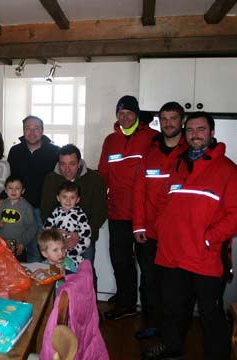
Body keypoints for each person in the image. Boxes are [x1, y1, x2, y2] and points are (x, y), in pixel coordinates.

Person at [143, 112, 237, 360]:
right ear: (184, 134)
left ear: (211, 133)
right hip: (172, 254)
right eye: (190, 130)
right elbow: (166, 201)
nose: (195, 134)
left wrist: (208, 238)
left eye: (201, 129)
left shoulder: (230, 172)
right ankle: (171, 346)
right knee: (173, 308)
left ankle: (217, 355)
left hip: (205, 256)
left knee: (210, 313)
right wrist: (161, 227)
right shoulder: (178, 166)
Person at [98, 95, 158, 321]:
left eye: (129, 113)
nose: (124, 117)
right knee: (121, 260)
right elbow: (103, 172)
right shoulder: (111, 140)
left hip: (145, 214)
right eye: (120, 113)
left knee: (148, 264)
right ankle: (126, 301)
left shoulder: (152, 138)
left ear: (137, 114)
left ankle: (150, 309)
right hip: (118, 212)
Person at [132, 102, 187, 340]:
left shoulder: (190, 153)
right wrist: (138, 226)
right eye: (164, 119)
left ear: (181, 120)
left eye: (173, 118)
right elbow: (139, 191)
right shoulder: (150, 154)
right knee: (150, 283)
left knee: (174, 286)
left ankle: (172, 332)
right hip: (149, 234)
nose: (168, 123)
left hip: (178, 235)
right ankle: (153, 324)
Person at [41, 144, 107, 283]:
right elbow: (45, 211)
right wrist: (55, 233)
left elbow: (100, 211)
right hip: (56, 241)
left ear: (79, 163)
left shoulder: (94, 179)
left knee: (86, 276)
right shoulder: (51, 179)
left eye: (72, 164)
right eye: (63, 164)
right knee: (57, 275)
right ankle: (60, 304)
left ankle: (88, 304)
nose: (67, 169)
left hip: (84, 240)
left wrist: (80, 235)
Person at [7, 115, 59, 262]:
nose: (32, 132)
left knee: (38, 253)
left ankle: (37, 284)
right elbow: (10, 178)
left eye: (36, 128)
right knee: (16, 253)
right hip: (19, 209)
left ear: (42, 131)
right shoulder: (15, 151)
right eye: (28, 128)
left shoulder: (54, 152)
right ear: (23, 131)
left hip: (43, 211)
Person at [44, 181, 91, 268]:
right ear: (58, 198)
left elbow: (86, 232)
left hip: (74, 249)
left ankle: (72, 258)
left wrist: (78, 235)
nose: (68, 200)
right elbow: (47, 227)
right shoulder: (56, 212)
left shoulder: (80, 214)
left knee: (87, 241)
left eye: (72, 197)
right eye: (64, 197)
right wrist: (54, 231)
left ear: (77, 200)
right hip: (58, 247)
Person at [0, 175, 37, 262]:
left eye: (17, 188)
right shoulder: (2, 205)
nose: (13, 191)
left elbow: (32, 228)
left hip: (17, 245)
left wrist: (22, 243)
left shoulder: (26, 207)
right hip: (2, 243)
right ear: (5, 190)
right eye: (10, 188)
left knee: (17, 269)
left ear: (22, 191)